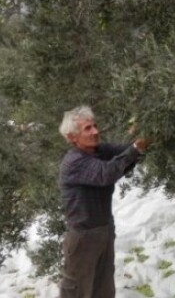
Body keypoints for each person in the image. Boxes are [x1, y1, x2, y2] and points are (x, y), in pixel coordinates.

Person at [58, 106, 150, 298]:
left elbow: (126, 152)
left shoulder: (99, 150)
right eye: (88, 129)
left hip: (105, 230)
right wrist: (135, 149)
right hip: (83, 236)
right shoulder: (74, 161)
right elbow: (106, 174)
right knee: (76, 292)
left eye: (95, 126)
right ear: (72, 137)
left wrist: (145, 138)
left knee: (104, 288)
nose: (95, 131)